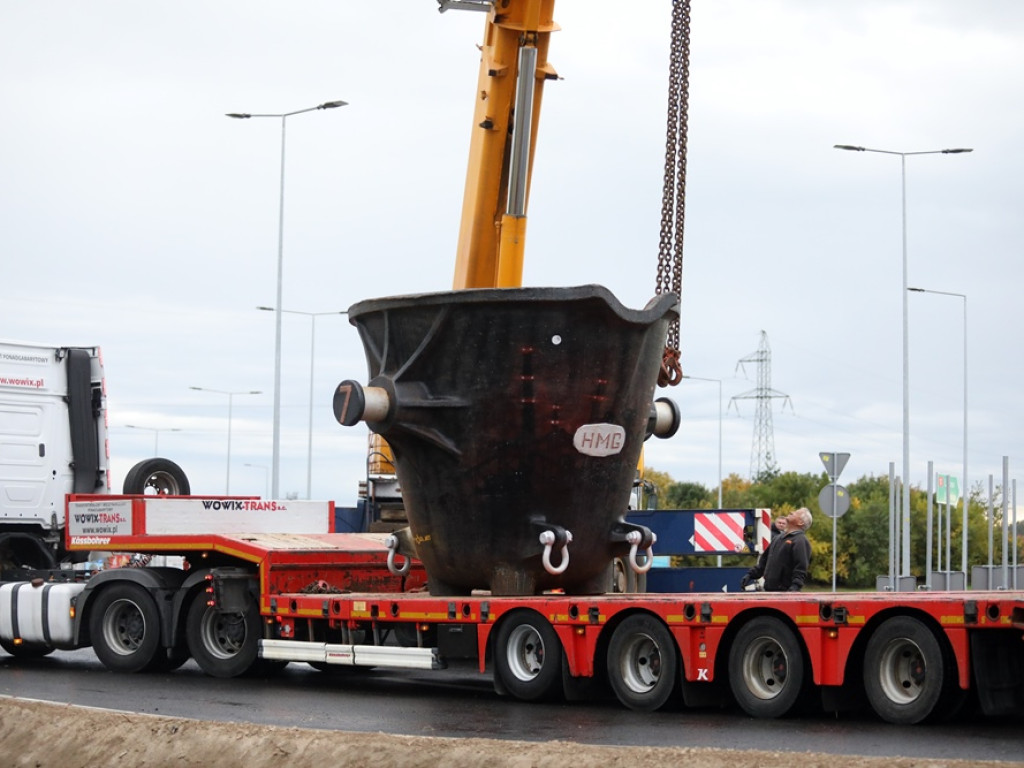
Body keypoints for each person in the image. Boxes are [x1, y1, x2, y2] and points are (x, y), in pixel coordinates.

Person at [740, 507, 813, 592]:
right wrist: (750, 575)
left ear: (800, 522)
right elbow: (764, 561)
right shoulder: (777, 538)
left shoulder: (800, 541)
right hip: (769, 590)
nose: (792, 512)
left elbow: (801, 568)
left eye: (797, 512)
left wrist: (795, 587)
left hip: (786, 593)